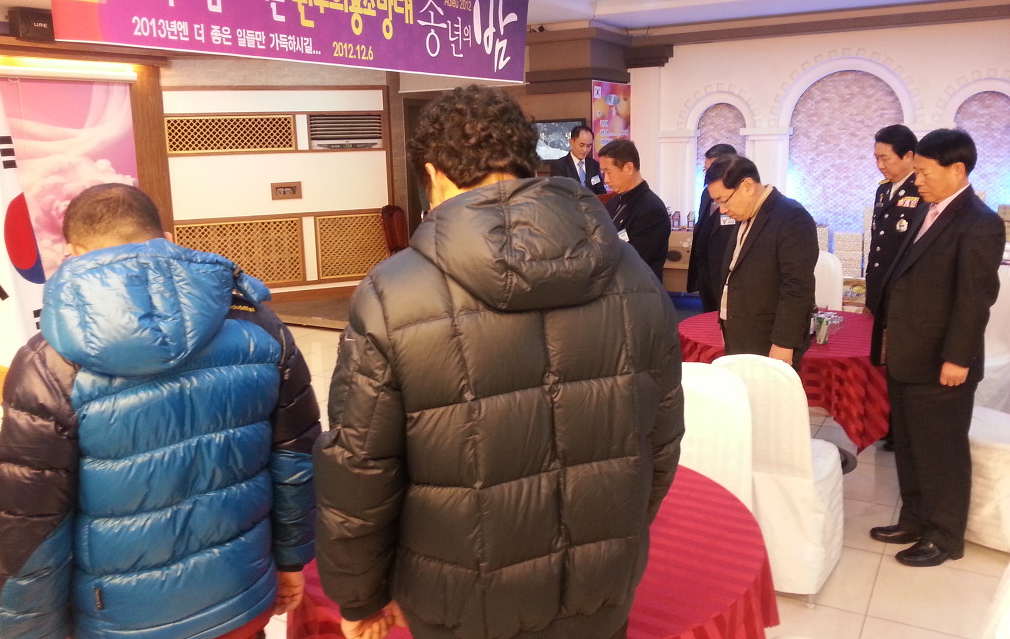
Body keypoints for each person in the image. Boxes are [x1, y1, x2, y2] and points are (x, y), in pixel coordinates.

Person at [315, 85, 683, 639]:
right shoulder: (632, 273)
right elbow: (661, 441)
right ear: (525, 161)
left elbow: (361, 468)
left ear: (434, 174)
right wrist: (610, 545)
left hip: (460, 603)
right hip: (600, 589)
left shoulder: (393, 293)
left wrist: (360, 595)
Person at [0, 183, 321, 639]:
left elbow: (30, 525)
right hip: (241, 596)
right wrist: (292, 560)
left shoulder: (48, 365)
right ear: (166, 238)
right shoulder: (260, 326)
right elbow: (296, 459)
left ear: (73, 253)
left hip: (120, 620)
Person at [869, 129, 1003, 567]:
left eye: (925, 172)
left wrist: (958, 358)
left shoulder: (979, 223)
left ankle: (945, 536)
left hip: (942, 362)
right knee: (909, 446)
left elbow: (974, 299)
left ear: (957, 169)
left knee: (941, 452)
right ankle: (914, 519)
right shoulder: (928, 210)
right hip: (908, 353)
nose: (918, 180)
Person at [707, 155, 818, 368]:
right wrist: (725, 321)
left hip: (768, 339)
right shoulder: (745, 214)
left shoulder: (791, 217)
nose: (722, 209)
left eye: (723, 200)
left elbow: (797, 286)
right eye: (717, 202)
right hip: (740, 332)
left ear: (747, 186)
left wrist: (784, 343)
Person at [597, 138, 672, 278]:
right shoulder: (613, 202)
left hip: (636, 286)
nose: (605, 180)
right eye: (603, 173)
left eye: (609, 172)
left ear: (629, 168)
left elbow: (635, 261)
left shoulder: (652, 209)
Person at [866, 124, 919, 314]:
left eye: (885, 158)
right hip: (877, 285)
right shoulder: (883, 189)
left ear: (908, 156)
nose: (880, 165)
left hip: (903, 290)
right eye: (877, 158)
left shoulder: (922, 190)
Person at [686, 143, 738, 312]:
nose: (708, 174)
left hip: (724, 270)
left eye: (712, 169)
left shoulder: (738, 197)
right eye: (706, 169)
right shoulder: (706, 193)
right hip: (704, 267)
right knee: (707, 313)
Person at [549, 123, 606, 194]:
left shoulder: (594, 165)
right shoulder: (559, 166)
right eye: (581, 145)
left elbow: (601, 191)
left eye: (588, 146)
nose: (585, 150)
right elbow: (558, 193)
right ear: (571, 142)